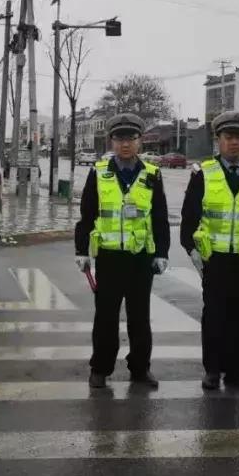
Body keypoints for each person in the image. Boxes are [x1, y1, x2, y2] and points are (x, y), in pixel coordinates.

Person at [180, 110, 239, 393]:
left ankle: (235, 372)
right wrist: (192, 251)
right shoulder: (203, 174)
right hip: (215, 258)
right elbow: (189, 217)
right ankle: (212, 370)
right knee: (214, 316)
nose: (234, 143)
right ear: (218, 140)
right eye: (228, 137)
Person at [74, 113, 170, 389]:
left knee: (140, 317)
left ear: (140, 141)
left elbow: (159, 217)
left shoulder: (152, 174)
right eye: (119, 139)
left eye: (131, 138)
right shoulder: (99, 173)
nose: (125, 144)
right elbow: (87, 215)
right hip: (109, 257)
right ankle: (100, 368)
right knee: (105, 317)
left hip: (141, 258)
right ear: (112, 142)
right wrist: (81, 250)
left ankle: (140, 368)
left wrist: (162, 252)